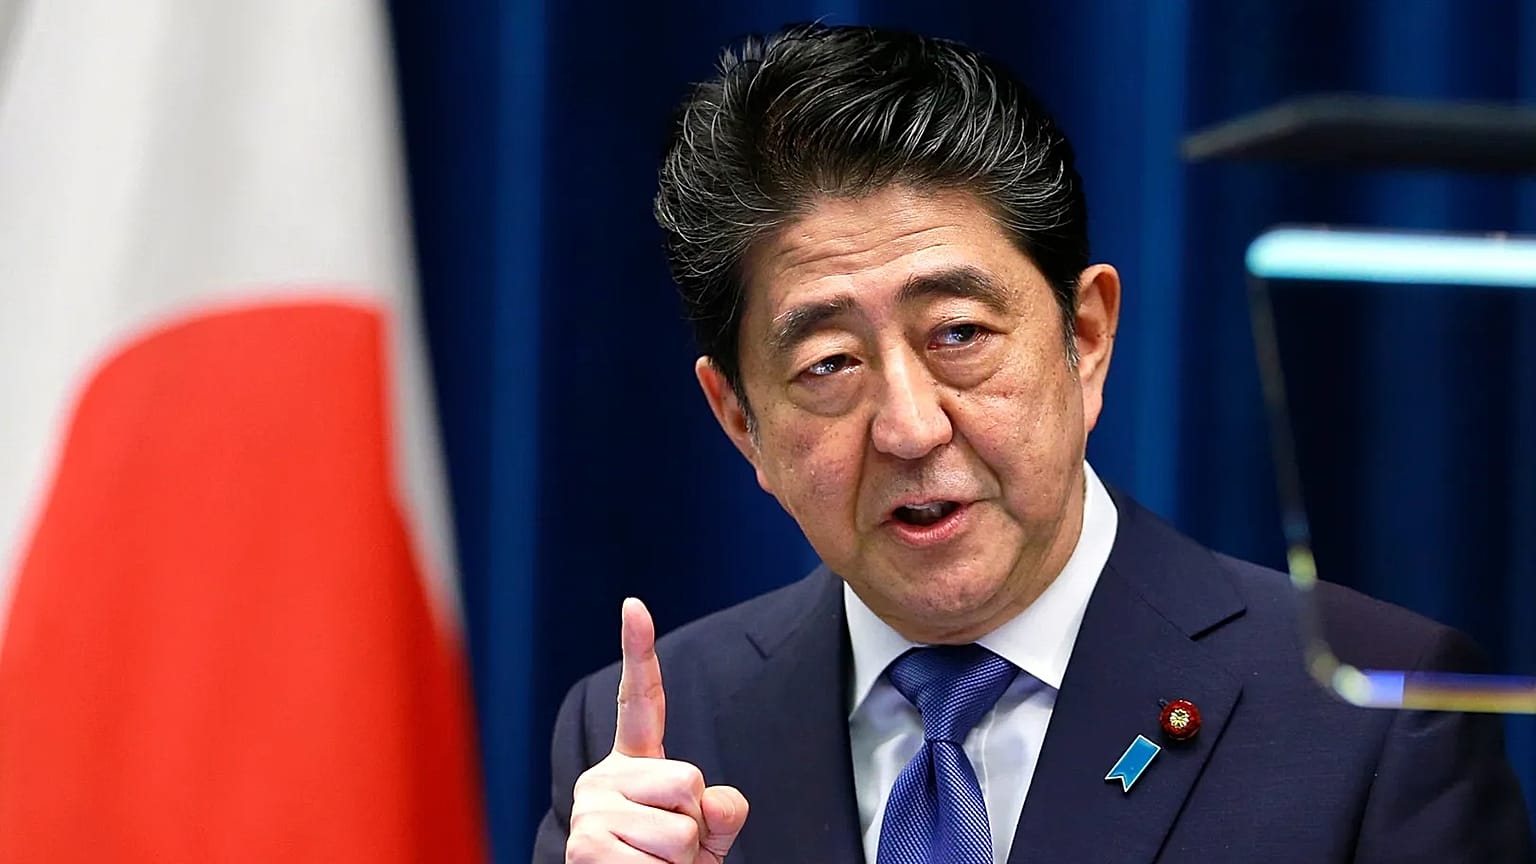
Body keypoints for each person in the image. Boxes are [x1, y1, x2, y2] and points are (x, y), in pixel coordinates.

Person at [532, 22, 1533, 864]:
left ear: (1085, 336)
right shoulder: (654, 745)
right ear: (739, 419)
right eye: (830, 364)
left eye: (959, 335)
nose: (912, 427)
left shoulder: (1373, 716)